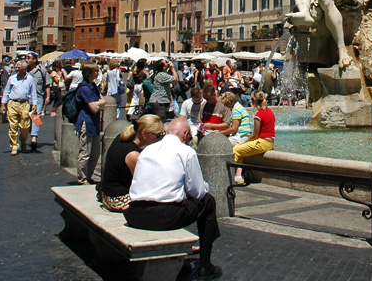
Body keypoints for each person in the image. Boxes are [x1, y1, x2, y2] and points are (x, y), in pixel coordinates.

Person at [125, 117, 222, 280]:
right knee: (208, 202)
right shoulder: (186, 151)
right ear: (185, 135)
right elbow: (197, 193)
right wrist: (205, 186)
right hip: (163, 217)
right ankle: (205, 265)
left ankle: (177, 257)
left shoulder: (148, 149)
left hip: (134, 214)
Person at [97, 114, 164, 212]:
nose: (160, 138)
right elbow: (143, 184)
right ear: (144, 133)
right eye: (157, 135)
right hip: (117, 198)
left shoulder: (122, 138)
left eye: (162, 134)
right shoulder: (133, 155)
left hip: (108, 191)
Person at [232, 91, 275, 185]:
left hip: (262, 143)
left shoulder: (259, 115)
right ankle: (238, 177)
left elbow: (255, 135)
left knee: (236, 149)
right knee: (240, 151)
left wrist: (244, 143)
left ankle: (237, 176)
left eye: (252, 100)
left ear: (254, 101)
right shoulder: (270, 112)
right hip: (270, 142)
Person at [0, 59, 39, 155]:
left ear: (24, 69)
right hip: (13, 103)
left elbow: (33, 92)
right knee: (13, 126)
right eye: (16, 67)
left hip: (25, 104)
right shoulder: (12, 78)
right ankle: (14, 146)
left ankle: (23, 141)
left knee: (25, 126)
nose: (16, 69)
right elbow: (6, 92)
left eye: (18, 67)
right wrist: (3, 105)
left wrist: (34, 104)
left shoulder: (30, 78)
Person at [74, 65, 105, 184]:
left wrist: (99, 103)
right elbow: (93, 107)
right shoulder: (84, 88)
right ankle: (82, 178)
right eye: (96, 71)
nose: (98, 72)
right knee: (85, 152)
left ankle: (88, 175)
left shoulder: (94, 86)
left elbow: (99, 104)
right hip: (86, 121)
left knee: (95, 153)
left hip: (95, 122)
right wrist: (101, 102)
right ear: (89, 73)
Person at [27, 53, 48, 151]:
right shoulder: (25, 71)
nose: (26, 60)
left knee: (36, 117)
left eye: (28, 58)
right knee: (26, 119)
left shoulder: (42, 71)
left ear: (35, 60)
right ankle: (30, 133)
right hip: (26, 99)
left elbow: (47, 84)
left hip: (39, 98)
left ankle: (34, 137)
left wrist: (47, 97)